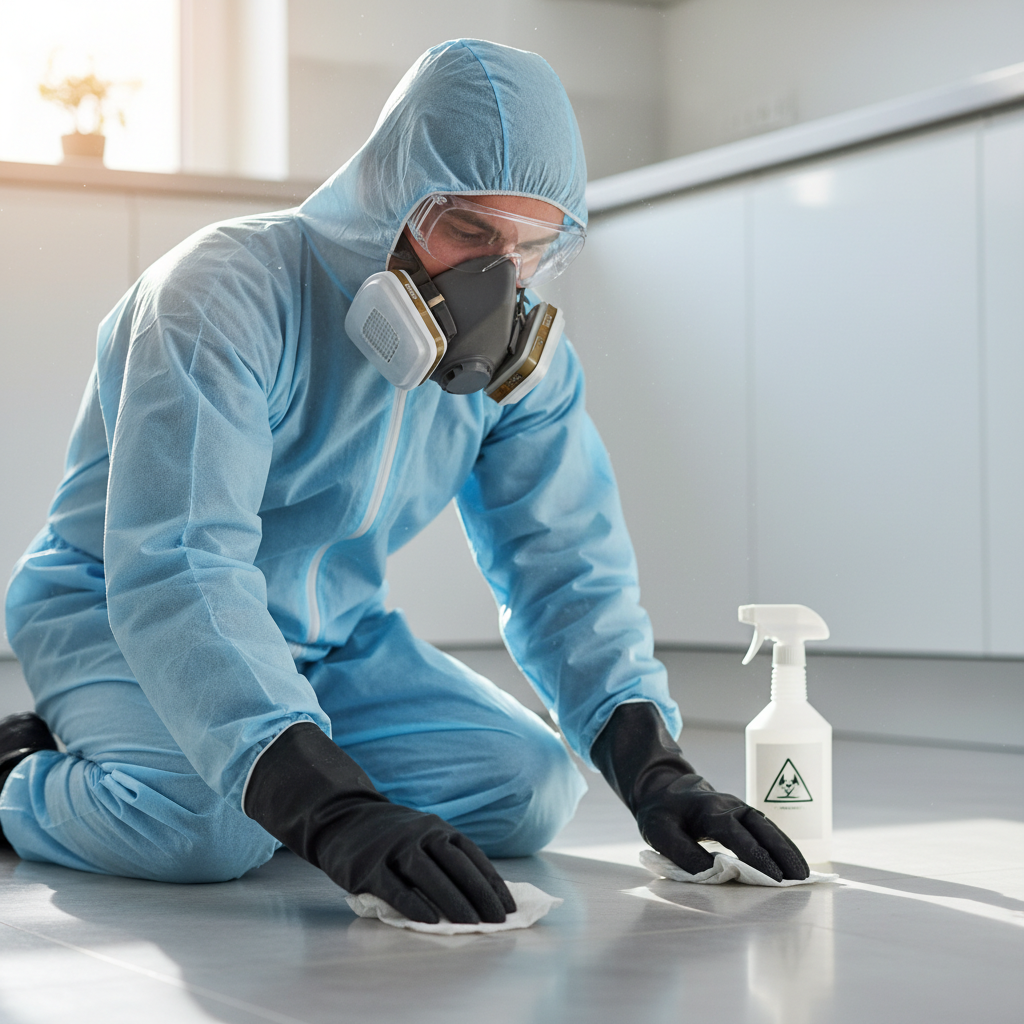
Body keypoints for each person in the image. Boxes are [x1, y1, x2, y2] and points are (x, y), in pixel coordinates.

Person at [0, 39, 807, 925]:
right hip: (121, 616)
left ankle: (237, 751)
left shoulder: (524, 368)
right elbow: (180, 562)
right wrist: (332, 809)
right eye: (468, 232)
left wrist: (656, 769)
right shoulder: (221, 296)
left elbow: (563, 563)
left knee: (530, 788)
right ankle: (20, 773)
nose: (497, 279)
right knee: (209, 829)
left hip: (333, 638)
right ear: (390, 192)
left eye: (530, 246)